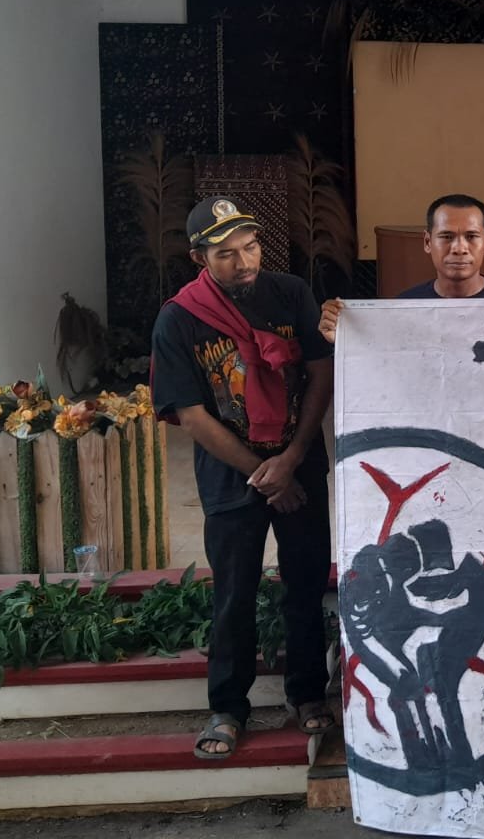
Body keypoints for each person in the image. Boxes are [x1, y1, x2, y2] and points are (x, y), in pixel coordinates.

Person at [149, 196, 335, 760]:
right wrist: (264, 473)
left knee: (306, 583)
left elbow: (320, 373)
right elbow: (190, 414)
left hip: (300, 464)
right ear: (199, 258)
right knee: (234, 592)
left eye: (250, 247)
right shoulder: (179, 318)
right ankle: (228, 707)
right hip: (233, 478)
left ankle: (307, 693)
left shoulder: (291, 294)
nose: (244, 261)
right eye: (226, 253)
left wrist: (293, 458)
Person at [318, 194, 484, 343]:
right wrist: (344, 340)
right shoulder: (403, 309)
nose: (459, 248)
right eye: (446, 236)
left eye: (471, 237)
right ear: (427, 242)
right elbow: (381, 366)